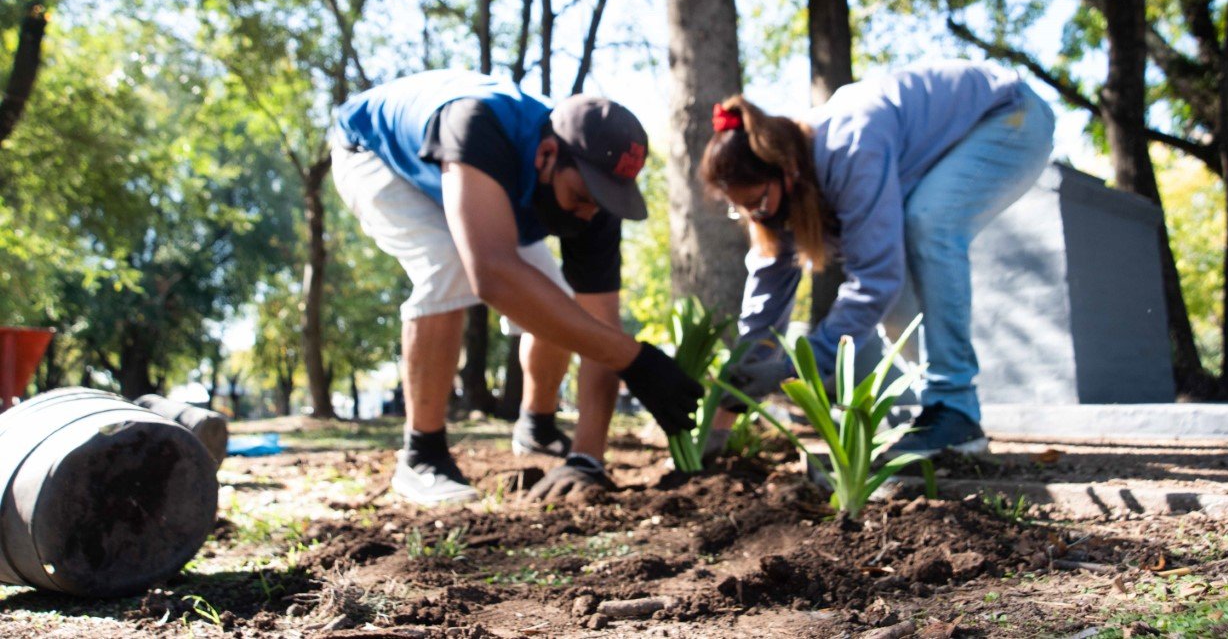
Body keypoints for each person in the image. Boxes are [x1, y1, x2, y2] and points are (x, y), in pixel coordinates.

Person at [332, 70, 701, 505]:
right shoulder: (477, 124)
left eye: (599, 204)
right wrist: (635, 361)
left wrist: (588, 458)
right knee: (451, 264)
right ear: (547, 154)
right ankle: (422, 455)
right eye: (581, 198)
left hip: (469, 178)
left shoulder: (595, 202)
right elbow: (490, 274)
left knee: (557, 303)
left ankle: (537, 426)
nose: (587, 216)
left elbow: (600, 326)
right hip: (374, 154)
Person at [699, 60, 1055, 457]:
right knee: (897, 300)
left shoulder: (849, 148)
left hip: (1009, 117)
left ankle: (954, 408)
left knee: (929, 224)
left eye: (755, 203)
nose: (753, 216)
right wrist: (733, 397)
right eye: (740, 209)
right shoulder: (775, 203)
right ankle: (942, 414)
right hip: (951, 145)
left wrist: (801, 365)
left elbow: (874, 278)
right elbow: (766, 300)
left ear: (786, 171)